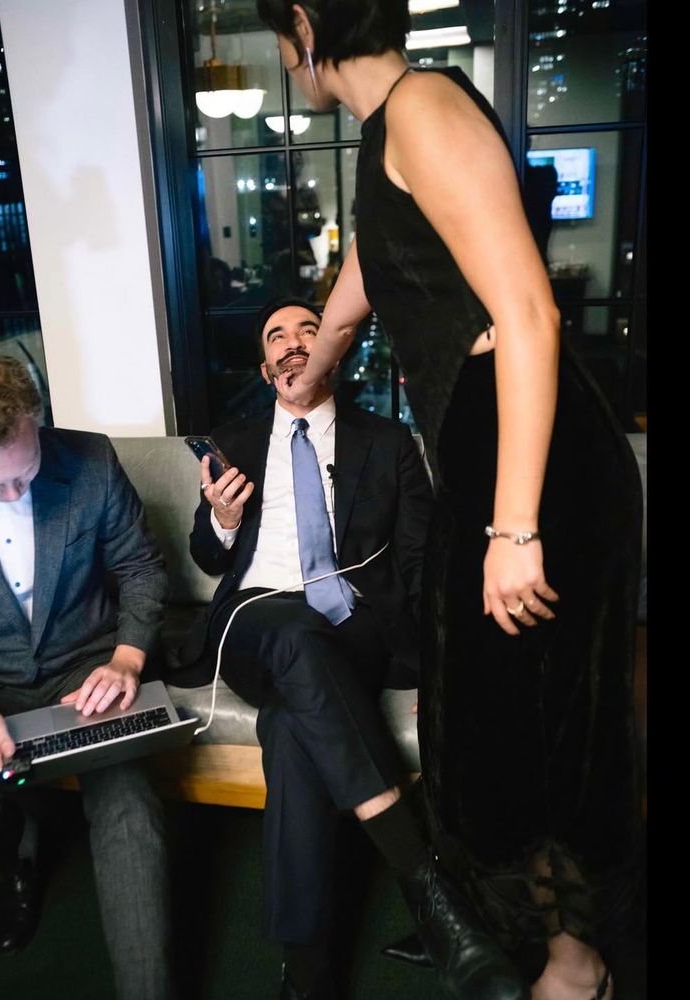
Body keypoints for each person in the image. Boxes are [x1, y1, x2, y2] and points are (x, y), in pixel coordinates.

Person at [253, 4, 644, 1000]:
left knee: (547, 721)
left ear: (301, 23)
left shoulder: (422, 108)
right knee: (488, 722)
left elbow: (525, 311)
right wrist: (316, 358)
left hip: (534, 459)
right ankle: (535, 940)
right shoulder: (391, 124)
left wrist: (513, 525)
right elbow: (363, 274)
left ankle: (579, 961)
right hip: (490, 446)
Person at [173, 297, 534, 1000]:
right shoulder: (233, 442)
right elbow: (206, 560)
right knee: (290, 632)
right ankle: (429, 888)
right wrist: (221, 520)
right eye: (275, 336)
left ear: (334, 351)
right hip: (250, 622)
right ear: (263, 366)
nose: (291, 343)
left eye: (308, 330)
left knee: (290, 727)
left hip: (352, 630)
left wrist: (440, 661)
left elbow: (422, 569)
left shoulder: (388, 443)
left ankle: (306, 970)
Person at [0, 353, 176, 1000]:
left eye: (24, 475)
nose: (13, 496)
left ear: (36, 422)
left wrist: (125, 658)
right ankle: (17, 856)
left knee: (130, 817)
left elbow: (142, 570)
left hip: (87, 669)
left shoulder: (90, 460)